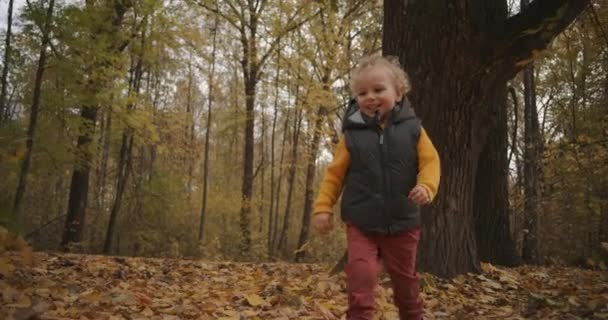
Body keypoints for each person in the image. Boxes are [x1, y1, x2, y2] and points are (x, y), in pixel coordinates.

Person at [312, 54, 440, 320]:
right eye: (362, 92)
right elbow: (334, 175)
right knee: (361, 279)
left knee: (406, 288)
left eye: (378, 90)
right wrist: (323, 207)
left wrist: (427, 186)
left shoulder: (414, 130)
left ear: (399, 92)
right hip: (362, 223)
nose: (370, 96)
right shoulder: (351, 136)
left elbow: (431, 162)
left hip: (403, 223)